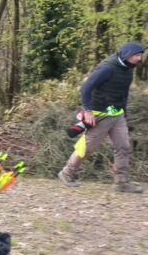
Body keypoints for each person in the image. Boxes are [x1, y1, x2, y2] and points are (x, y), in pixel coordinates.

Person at [58, 42, 144, 193]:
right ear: (127, 54)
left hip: (117, 115)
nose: (140, 58)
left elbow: (123, 92)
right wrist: (88, 111)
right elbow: (86, 87)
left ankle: (121, 183)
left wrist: (123, 112)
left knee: (123, 146)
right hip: (100, 115)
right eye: (137, 55)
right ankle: (67, 173)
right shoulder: (107, 67)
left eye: (140, 55)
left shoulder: (129, 69)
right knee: (88, 147)